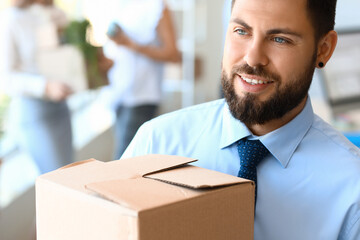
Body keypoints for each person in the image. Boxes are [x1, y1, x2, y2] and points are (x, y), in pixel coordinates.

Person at [122, 0, 360, 239]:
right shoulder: (156, 143)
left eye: (280, 39)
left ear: (324, 49)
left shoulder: (352, 189)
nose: (253, 58)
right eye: (241, 31)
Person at [0, 0, 74, 174]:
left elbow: (65, 50)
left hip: (61, 106)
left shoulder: (51, 12)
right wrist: (45, 86)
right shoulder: (10, 20)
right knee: (58, 179)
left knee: (70, 172)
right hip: (34, 112)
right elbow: (6, 78)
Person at [102, 0, 181, 159]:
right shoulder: (120, 7)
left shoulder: (157, 8)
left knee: (124, 161)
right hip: (119, 94)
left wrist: (130, 44)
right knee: (125, 160)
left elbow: (173, 54)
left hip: (143, 97)